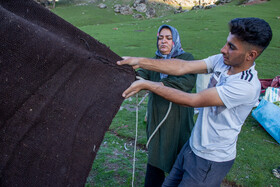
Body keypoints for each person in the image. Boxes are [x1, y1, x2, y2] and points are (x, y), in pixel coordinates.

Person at [117, 17, 272, 186]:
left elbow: (192, 100)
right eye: (227, 43)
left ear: (251, 55)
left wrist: (148, 85)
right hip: (192, 146)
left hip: (211, 159)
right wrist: (139, 61)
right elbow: (182, 66)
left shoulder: (245, 86)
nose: (223, 49)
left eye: (231, 47)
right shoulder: (223, 61)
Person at [137, 25, 196, 187]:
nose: (163, 41)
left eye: (168, 38)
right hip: (157, 118)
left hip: (179, 118)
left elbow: (185, 83)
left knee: (180, 155)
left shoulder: (187, 59)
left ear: (175, 40)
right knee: (155, 157)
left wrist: (151, 84)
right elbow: (141, 75)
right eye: (160, 38)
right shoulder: (154, 62)